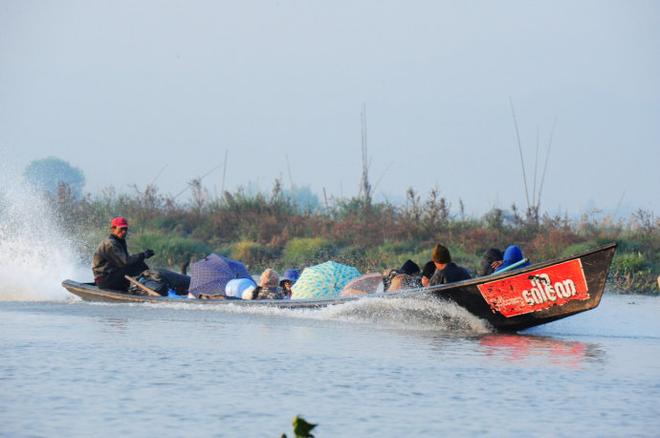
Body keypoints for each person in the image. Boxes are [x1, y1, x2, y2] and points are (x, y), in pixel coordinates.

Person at [92, 216, 155, 291]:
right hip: (104, 280)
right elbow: (125, 262)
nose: (124, 232)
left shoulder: (120, 241)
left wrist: (142, 257)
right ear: (113, 229)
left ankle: (149, 285)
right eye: (121, 229)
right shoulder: (110, 244)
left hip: (113, 276)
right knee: (138, 265)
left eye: (125, 229)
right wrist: (143, 255)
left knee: (139, 264)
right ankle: (147, 286)